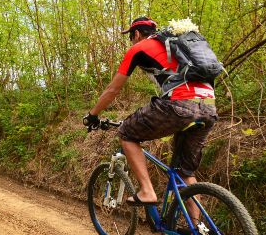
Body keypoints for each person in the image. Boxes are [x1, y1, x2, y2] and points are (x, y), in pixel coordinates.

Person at [84, 17, 218, 207]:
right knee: (184, 173)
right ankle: (198, 229)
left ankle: (147, 190)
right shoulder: (174, 47)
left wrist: (93, 115)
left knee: (127, 133)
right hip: (209, 107)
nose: (131, 40)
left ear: (137, 34)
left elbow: (112, 90)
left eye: (131, 36)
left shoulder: (139, 48)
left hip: (180, 104)